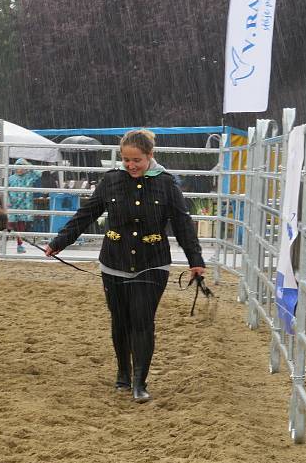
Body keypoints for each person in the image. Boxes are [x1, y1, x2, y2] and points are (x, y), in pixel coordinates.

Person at [45, 129, 205, 403]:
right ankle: (123, 372)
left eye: (137, 160)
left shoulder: (166, 184)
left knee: (142, 320)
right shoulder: (110, 181)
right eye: (126, 160)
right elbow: (86, 214)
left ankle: (139, 382)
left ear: (149, 156)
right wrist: (61, 241)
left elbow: (182, 223)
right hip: (114, 262)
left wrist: (195, 260)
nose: (131, 165)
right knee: (120, 321)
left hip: (152, 263)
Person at [8, 158, 41, 253]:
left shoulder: (29, 177)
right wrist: (8, 201)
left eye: (22, 167)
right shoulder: (11, 178)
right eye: (18, 167)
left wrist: (28, 164)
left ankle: (20, 245)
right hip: (12, 205)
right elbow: (6, 191)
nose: (20, 169)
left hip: (24, 206)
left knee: (21, 226)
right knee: (11, 224)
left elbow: (39, 173)